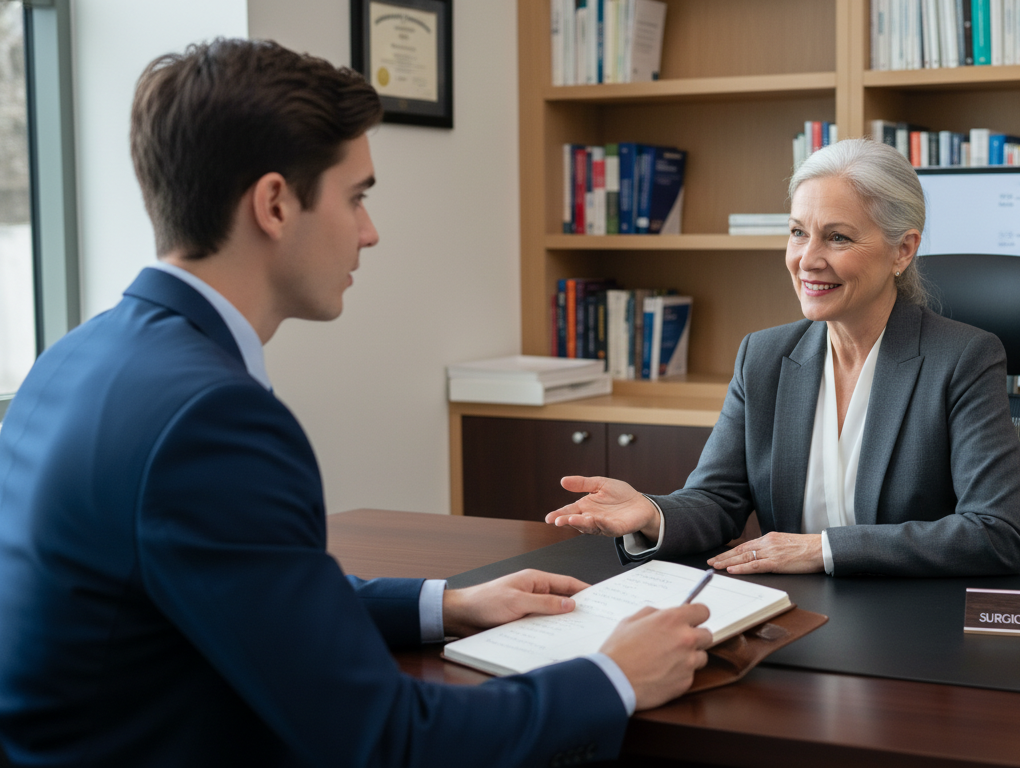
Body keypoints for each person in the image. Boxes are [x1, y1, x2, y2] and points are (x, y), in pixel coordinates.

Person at [0, 39, 713, 768]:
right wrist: (613, 677)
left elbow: (251, 587)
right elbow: (387, 741)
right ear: (275, 203)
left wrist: (447, 604)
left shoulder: (76, 358)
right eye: (357, 196)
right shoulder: (211, 417)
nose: (370, 233)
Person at [546, 139, 1020, 578]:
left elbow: (994, 532)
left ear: (902, 250)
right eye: (799, 232)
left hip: (909, 624)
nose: (808, 259)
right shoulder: (764, 356)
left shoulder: (963, 358)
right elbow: (717, 499)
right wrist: (653, 514)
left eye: (837, 237)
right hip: (791, 614)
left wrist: (822, 550)